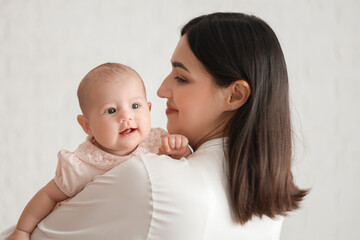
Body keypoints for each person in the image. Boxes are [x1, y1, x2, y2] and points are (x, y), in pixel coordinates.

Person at [1, 12, 308, 240]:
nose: (160, 90)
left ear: (235, 95)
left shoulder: (149, 179)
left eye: (181, 77)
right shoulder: (267, 199)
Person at [7, 63, 191, 240]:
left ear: (148, 109)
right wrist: (22, 230)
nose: (126, 117)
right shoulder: (83, 164)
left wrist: (180, 152)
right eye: (111, 110)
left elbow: (186, 173)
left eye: (135, 106)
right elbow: (48, 196)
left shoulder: (158, 142)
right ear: (87, 126)